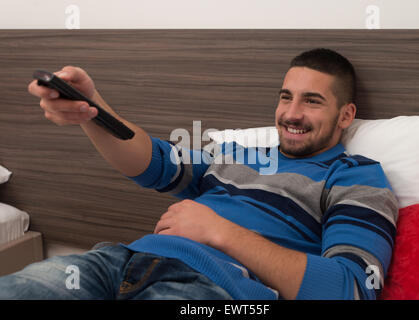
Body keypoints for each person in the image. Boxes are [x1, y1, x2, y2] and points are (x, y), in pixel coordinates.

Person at [0, 48, 398, 300]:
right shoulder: (236, 155)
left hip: (216, 290)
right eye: (285, 97)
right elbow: (153, 162)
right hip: (118, 262)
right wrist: (92, 111)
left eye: (312, 101)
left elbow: (351, 289)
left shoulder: (357, 178)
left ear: (346, 114)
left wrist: (219, 232)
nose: (291, 113)